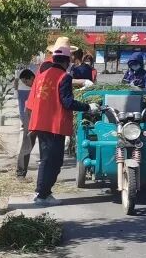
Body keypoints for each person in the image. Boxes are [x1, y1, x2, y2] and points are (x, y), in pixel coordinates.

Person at [25, 45, 99, 205]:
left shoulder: (41, 76)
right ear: (67, 61)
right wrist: (88, 107)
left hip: (39, 123)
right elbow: (68, 102)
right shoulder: (63, 77)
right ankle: (42, 195)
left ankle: (41, 193)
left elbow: (32, 102)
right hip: (53, 125)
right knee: (54, 161)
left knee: (46, 160)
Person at [15, 66, 36, 177]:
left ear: (32, 77)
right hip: (30, 114)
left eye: (26, 82)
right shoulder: (33, 86)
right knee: (27, 142)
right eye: (24, 83)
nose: (26, 84)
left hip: (38, 115)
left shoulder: (39, 84)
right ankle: (21, 171)